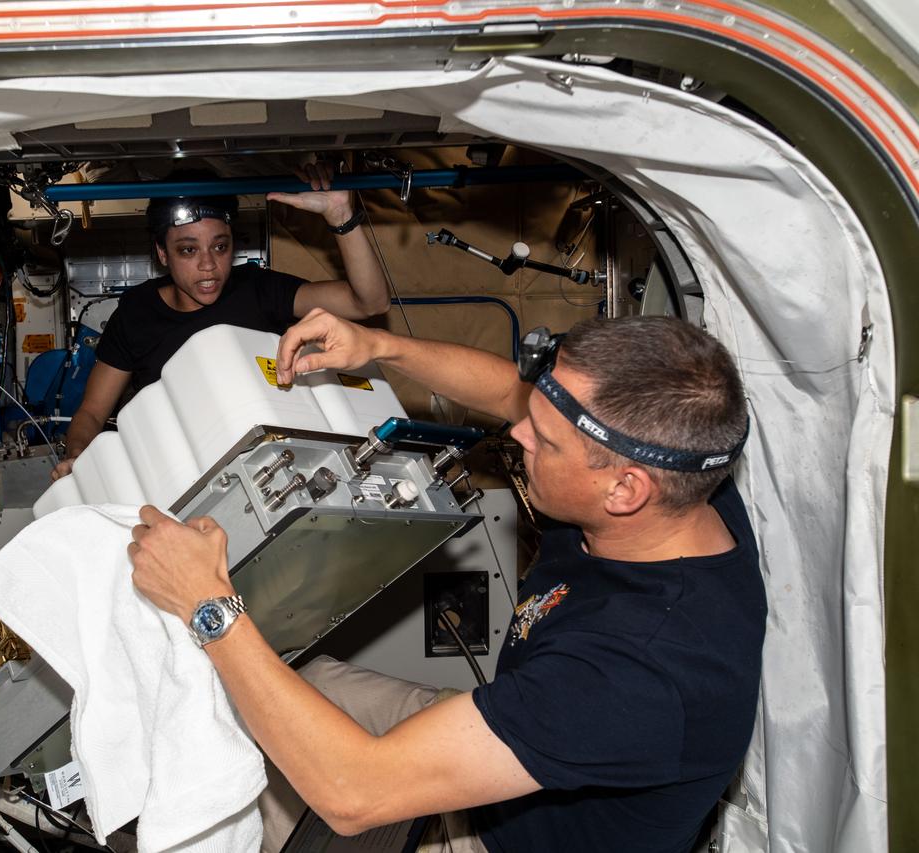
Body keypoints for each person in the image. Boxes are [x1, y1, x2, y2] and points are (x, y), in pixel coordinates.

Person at [126, 308, 766, 853]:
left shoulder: (640, 669)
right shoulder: (678, 482)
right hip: (520, 733)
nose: (516, 435)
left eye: (543, 442)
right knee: (287, 691)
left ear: (626, 489)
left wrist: (208, 605)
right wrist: (381, 345)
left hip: (503, 841)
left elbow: (356, 794)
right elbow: (513, 396)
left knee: (305, 745)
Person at [49, 164, 390, 480]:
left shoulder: (258, 289)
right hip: (177, 477)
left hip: (272, 468)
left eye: (220, 246)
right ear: (162, 253)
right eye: (187, 250)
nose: (208, 265)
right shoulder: (137, 314)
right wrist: (78, 457)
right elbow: (92, 413)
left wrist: (341, 216)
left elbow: (368, 302)